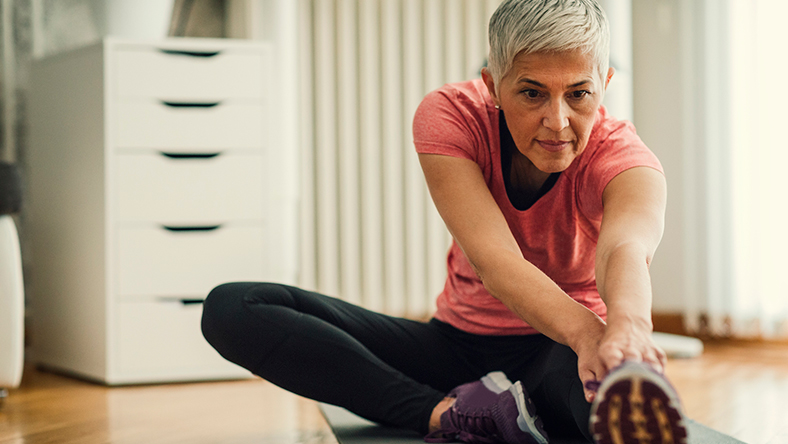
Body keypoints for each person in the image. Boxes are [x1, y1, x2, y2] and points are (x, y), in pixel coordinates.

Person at [201, 0, 687, 443]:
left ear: (604, 83)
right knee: (234, 308)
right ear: (493, 86)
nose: (557, 121)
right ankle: (449, 414)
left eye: (578, 94)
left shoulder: (626, 160)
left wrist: (627, 330)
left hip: (556, 352)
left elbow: (625, 250)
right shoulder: (452, 116)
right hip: (456, 350)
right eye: (532, 93)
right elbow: (497, 265)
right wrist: (592, 335)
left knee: (597, 397)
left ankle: (544, 408)